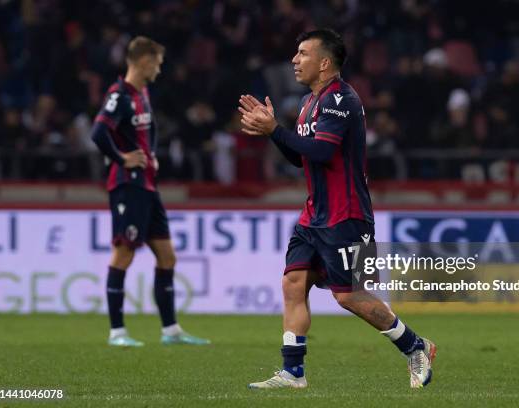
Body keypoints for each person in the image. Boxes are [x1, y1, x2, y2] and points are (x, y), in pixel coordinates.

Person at [239, 29, 436, 389]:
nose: (294, 60)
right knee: (293, 283)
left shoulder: (340, 100)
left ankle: (415, 346)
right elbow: (302, 159)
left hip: (346, 216)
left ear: (325, 62)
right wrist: (273, 133)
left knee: (348, 296)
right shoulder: (309, 103)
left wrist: (275, 130)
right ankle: (293, 372)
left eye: (302, 53)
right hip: (314, 215)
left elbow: (322, 152)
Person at [89, 36, 210, 347]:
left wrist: (151, 154)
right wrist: (122, 157)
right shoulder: (119, 95)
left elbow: (147, 131)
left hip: (147, 185)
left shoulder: (142, 93)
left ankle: (170, 331)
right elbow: (98, 132)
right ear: (143, 61)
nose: (159, 68)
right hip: (127, 184)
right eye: (157, 62)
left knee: (167, 256)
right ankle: (117, 332)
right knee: (124, 252)